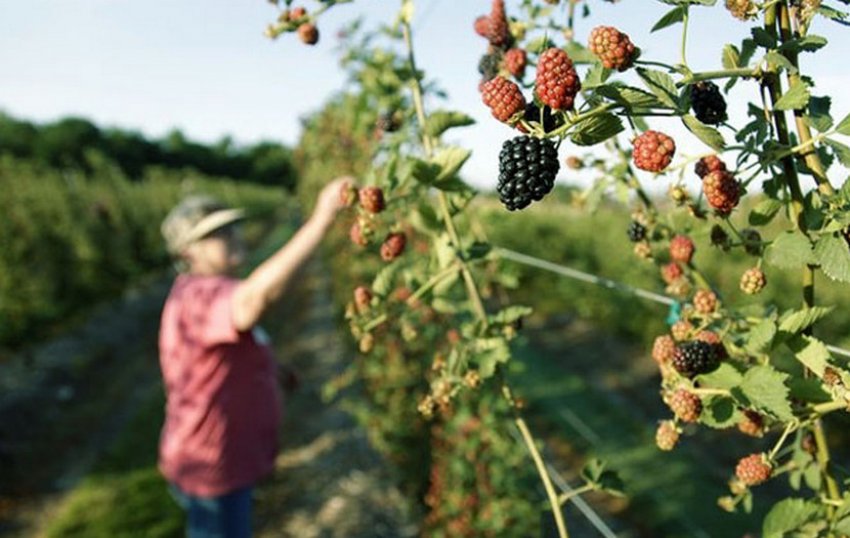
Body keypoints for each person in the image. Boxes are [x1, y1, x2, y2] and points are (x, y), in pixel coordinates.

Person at [157, 178, 350, 537]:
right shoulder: (199, 296)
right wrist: (321, 219)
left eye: (231, 227)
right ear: (187, 253)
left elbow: (224, 350)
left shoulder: (203, 293)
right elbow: (252, 301)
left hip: (221, 455)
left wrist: (271, 371)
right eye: (216, 233)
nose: (232, 236)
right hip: (212, 464)